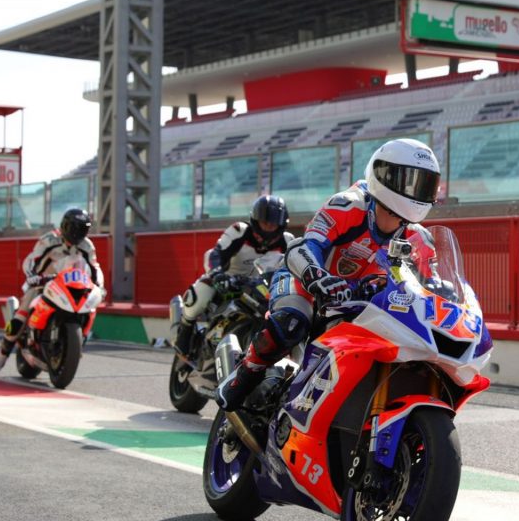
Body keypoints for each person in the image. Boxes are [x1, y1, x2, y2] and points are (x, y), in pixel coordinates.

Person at [215, 138, 441, 411]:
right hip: (306, 281)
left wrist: (447, 296)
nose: (415, 191)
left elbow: (433, 284)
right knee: (292, 322)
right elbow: (305, 245)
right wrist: (317, 276)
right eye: (409, 181)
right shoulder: (348, 205)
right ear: (383, 175)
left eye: (424, 184)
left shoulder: (419, 237)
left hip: (360, 300)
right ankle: (247, 372)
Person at [0, 208, 104, 375]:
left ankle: (79, 340)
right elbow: (32, 260)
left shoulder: (86, 246)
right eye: (74, 228)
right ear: (65, 226)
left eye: (82, 229)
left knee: (90, 306)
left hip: (70, 285)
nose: (77, 233)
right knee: (20, 317)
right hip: (43, 284)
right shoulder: (49, 240)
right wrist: (33, 276)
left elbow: (94, 268)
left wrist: (99, 285)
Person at [173, 195, 293, 356]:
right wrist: (217, 274)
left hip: (261, 288)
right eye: (266, 223)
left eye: (273, 224)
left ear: (281, 225)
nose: (269, 228)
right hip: (228, 282)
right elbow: (215, 254)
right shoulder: (239, 231)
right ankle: (185, 330)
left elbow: (292, 268)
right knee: (200, 292)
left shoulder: (288, 241)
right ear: (256, 221)